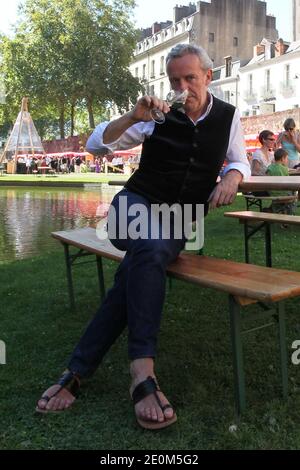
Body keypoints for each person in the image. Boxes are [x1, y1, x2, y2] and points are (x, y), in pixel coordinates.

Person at [36, 44, 250, 429]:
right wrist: (131, 115)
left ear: (208, 77)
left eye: (190, 78)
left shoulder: (229, 117)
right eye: (174, 80)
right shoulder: (155, 115)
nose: (182, 87)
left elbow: (238, 158)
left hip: (179, 221)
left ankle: (78, 370)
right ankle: (142, 370)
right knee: (149, 247)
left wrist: (233, 175)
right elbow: (96, 144)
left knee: (141, 263)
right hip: (133, 208)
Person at [266, 148, 297, 215]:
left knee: (279, 199)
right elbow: (288, 183)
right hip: (284, 194)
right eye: (286, 158)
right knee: (294, 195)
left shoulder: (269, 168)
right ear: (282, 158)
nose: (287, 160)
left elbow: (266, 178)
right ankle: (289, 214)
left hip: (272, 194)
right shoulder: (284, 169)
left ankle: (278, 211)